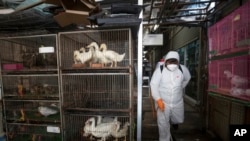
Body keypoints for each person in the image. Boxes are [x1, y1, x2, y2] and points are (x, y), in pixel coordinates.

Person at [150, 51, 191, 141]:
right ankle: (165, 139)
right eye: (170, 61)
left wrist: (180, 87)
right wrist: (158, 99)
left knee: (179, 119)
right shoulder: (160, 71)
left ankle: (173, 122)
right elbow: (154, 85)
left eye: (174, 62)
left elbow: (187, 78)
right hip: (163, 102)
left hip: (177, 102)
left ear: (178, 61)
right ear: (166, 61)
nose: (172, 64)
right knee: (163, 124)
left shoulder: (182, 69)